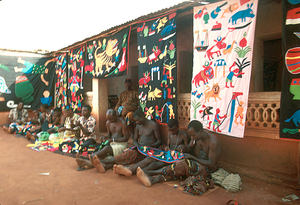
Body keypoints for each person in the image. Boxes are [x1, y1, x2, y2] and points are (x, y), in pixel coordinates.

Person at [136, 120, 221, 187]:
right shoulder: (196, 137)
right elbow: (190, 148)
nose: (192, 138)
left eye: (193, 136)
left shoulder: (213, 142)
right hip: (196, 162)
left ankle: (150, 172)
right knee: (178, 167)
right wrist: (184, 148)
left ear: (200, 132)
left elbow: (211, 163)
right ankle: (153, 180)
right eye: (191, 136)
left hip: (208, 168)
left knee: (182, 165)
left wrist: (192, 158)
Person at [87, 109, 161, 173]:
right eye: (135, 121)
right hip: (139, 149)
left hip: (149, 150)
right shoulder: (138, 126)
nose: (136, 122)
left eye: (138, 120)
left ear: (142, 117)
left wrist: (150, 146)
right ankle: (104, 165)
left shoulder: (153, 125)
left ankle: (100, 162)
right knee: (125, 157)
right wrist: (137, 145)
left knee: (126, 158)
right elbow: (134, 140)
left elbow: (159, 141)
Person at [113, 119, 190, 176]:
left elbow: (187, 150)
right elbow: (168, 145)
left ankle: (136, 171)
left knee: (154, 164)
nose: (172, 132)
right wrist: (167, 148)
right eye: (170, 131)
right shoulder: (170, 134)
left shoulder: (184, 136)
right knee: (151, 158)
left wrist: (182, 148)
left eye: (173, 130)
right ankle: (130, 169)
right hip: (168, 154)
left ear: (178, 127)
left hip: (176, 157)